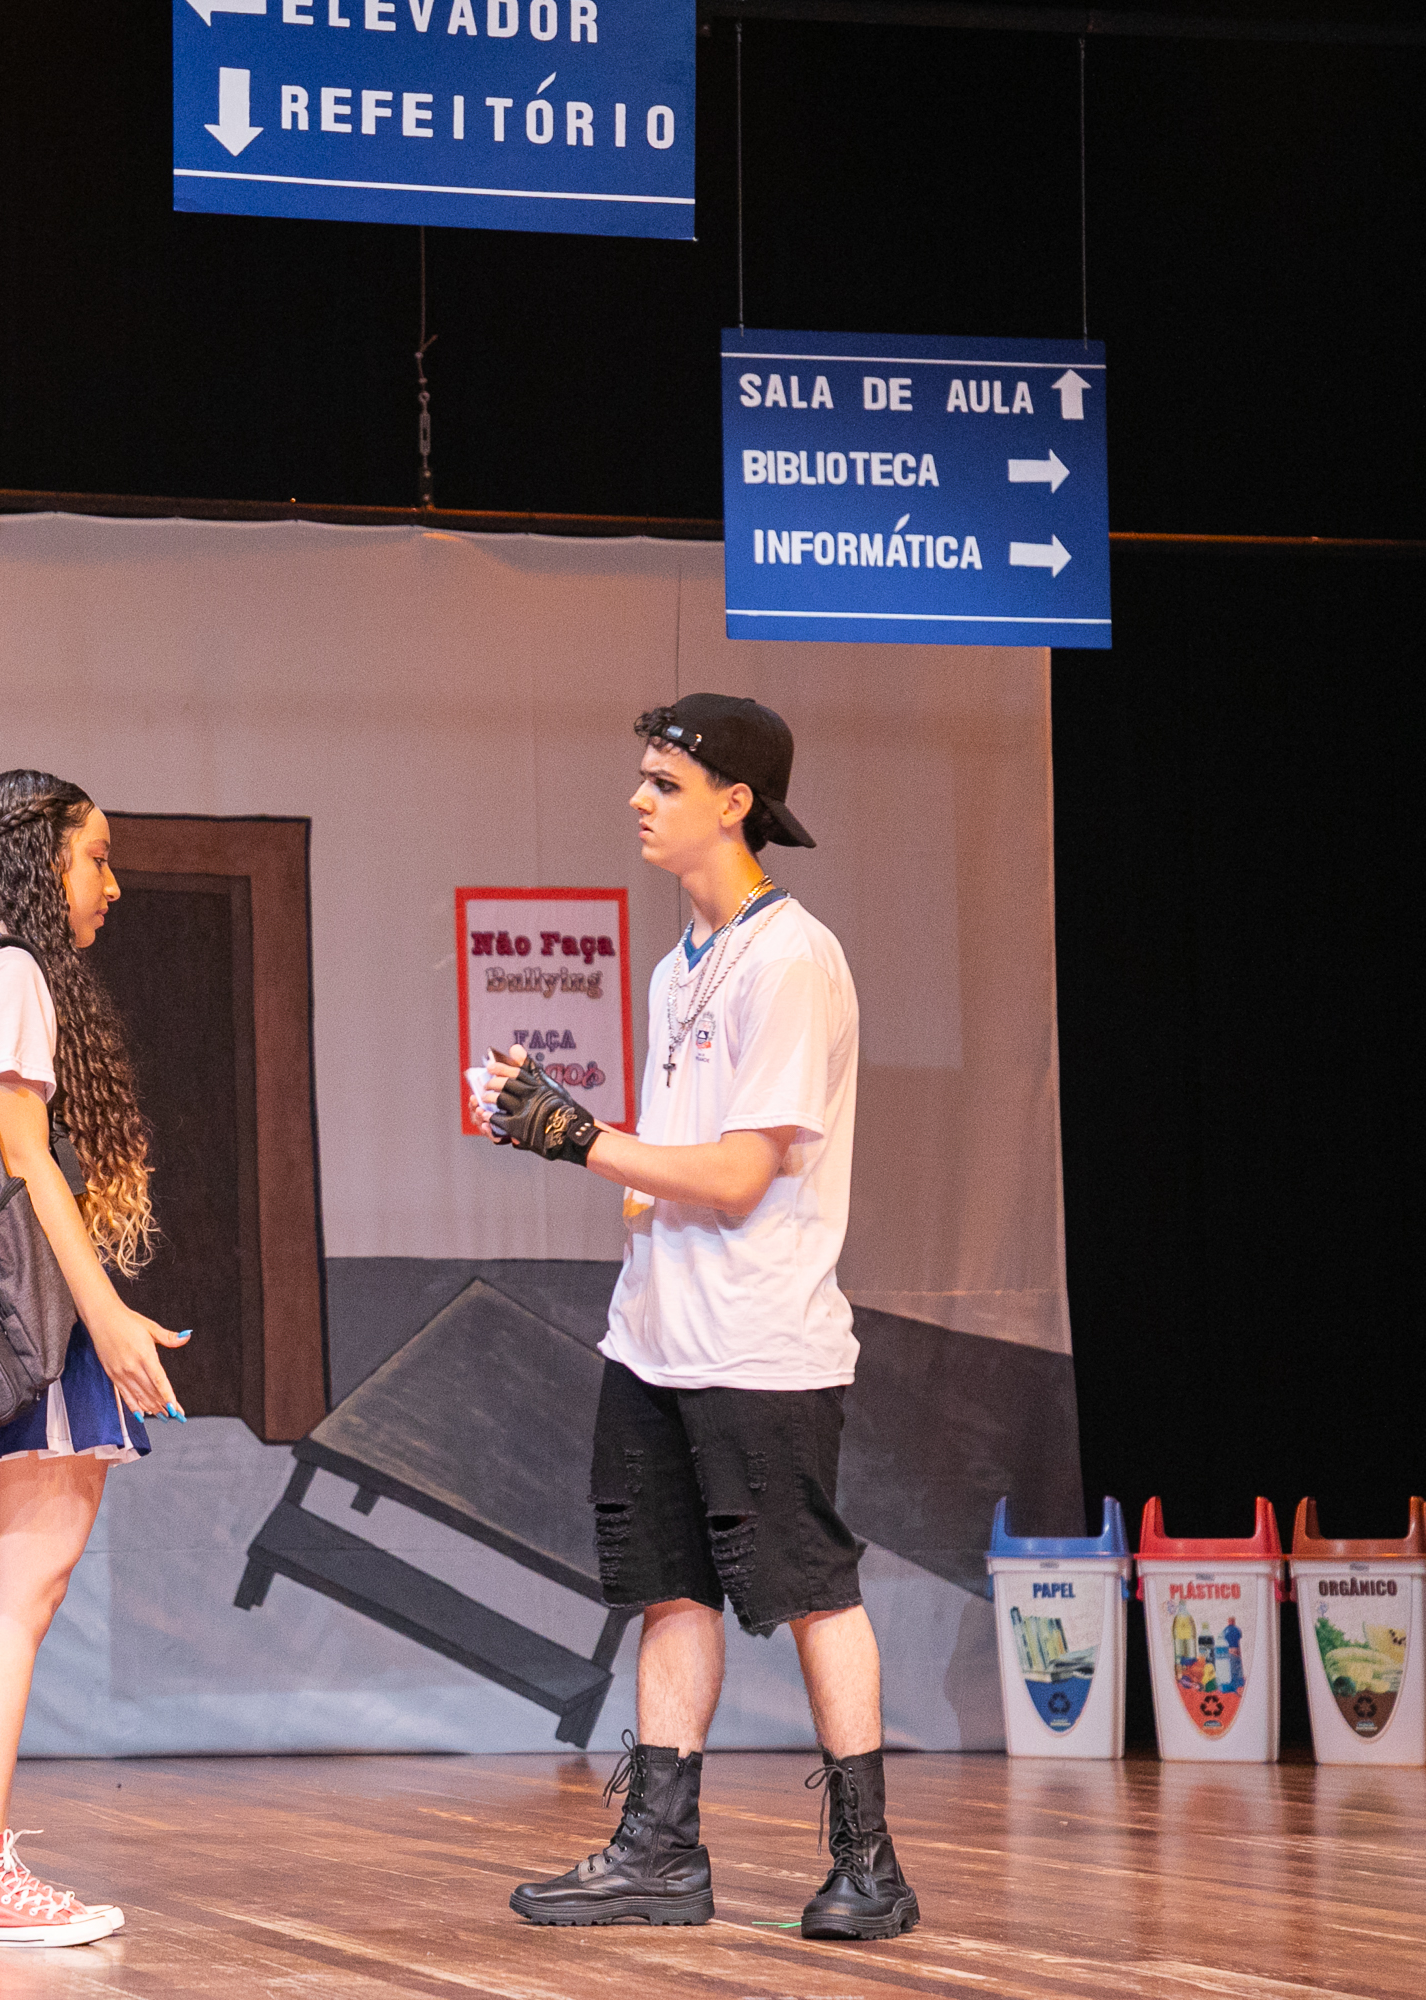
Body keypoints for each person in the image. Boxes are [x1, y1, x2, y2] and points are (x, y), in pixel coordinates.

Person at [480, 694, 918, 1943]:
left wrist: (580, 1136)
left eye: (664, 782)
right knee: (669, 1588)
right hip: (656, 1334)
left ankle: (870, 1861)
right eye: (641, 776)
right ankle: (661, 1851)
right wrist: (568, 1129)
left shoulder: (792, 957)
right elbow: (667, 1171)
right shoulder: (679, 964)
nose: (638, 798)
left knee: (812, 1588)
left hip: (760, 1342)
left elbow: (738, 1175)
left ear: (736, 804)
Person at [0, 768, 191, 1949]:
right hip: (28, 1325)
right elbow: (23, 1158)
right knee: (12, 1606)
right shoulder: (10, 970)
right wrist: (105, 1315)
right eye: (96, 855)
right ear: (39, 862)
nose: (112, 880)